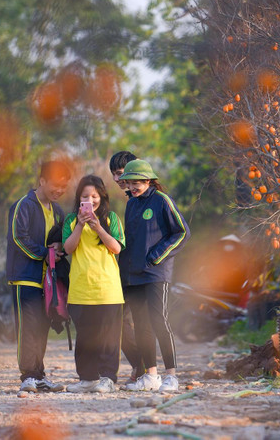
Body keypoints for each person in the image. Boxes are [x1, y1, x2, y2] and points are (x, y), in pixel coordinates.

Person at [118, 159, 190, 392]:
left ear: (148, 180)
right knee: (141, 326)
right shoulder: (131, 205)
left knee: (160, 320)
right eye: (129, 182)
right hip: (134, 275)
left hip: (157, 272)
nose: (133, 186)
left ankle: (171, 376)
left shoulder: (161, 201)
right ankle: (151, 376)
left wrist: (156, 256)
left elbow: (182, 233)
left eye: (137, 182)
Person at [5, 160, 71, 393]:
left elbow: (60, 241)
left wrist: (59, 247)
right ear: (42, 180)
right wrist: (45, 253)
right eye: (56, 184)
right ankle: (27, 376)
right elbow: (18, 237)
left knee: (42, 326)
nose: (60, 190)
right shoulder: (24, 205)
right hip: (25, 277)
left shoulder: (59, 211)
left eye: (64, 186)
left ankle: (39, 375)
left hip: (48, 280)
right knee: (28, 327)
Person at [62, 175, 126, 393]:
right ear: (79, 199)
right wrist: (80, 225)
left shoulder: (111, 219)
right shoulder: (71, 220)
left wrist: (98, 228)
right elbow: (68, 248)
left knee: (109, 338)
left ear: (102, 197)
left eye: (94, 196)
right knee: (85, 339)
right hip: (81, 289)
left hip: (108, 290)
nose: (90, 200)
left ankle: (108, 378)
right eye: (85, 196)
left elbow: (116, 249)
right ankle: (88, 379)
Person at [109, 151, 145, 383]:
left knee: (125, 320)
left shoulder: (148, 198)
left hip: (141, 270)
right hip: (126, 269)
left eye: (120, 173)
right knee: (120, 320)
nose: (116, 179)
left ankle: (144, 367)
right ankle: (141, 366)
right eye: (113, 174)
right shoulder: (131, 199)